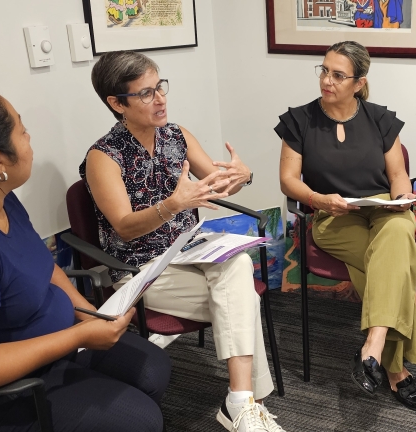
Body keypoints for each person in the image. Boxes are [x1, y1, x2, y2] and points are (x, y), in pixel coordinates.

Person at [80, 51, 285, 432]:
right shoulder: (103, 156)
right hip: (142, 270)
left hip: (192, 251)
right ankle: (245, 406)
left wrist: (243, 174)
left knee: (238, 268)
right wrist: (173, 205)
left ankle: (240, 404)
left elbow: (218, 182)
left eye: (160, 87)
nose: (160, 99)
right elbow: (124, 227)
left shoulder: (177, 135)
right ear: (116, 103)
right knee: (243, 294)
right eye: (145, 93)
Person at [0, 81, 171, 431]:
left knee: (152, 368)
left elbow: (45, 269)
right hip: (7, 390)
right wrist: (77, 337)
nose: (29, 140)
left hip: (58, 345)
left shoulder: (2, 198)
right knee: (142, 420)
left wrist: (88, 316)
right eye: (22, 131)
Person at [276, 40, 416, 412]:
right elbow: (288, 181)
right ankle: (396, 371)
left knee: (396, 231)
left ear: (359, 82)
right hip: (333, 216)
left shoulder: (380, 119)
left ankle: (372, 348)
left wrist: (400, 200)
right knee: (397, 267)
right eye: (324, 71)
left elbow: (398, 175)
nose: (327, 81)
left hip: (382, 212)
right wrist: (318, 199)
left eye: (338, 75)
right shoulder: (299, 120)